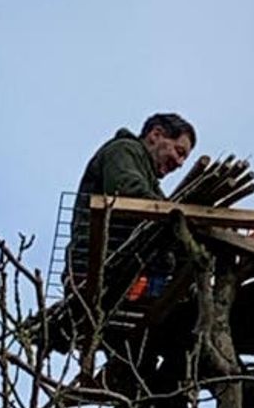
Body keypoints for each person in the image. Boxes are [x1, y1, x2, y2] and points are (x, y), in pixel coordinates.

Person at [67, 112, 196, 301]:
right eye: (179, 151)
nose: (180, 163)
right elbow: (128, 190)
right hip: (97, 264)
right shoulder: (124, 150)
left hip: (117, 267)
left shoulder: (147, 176)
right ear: (156, 134)